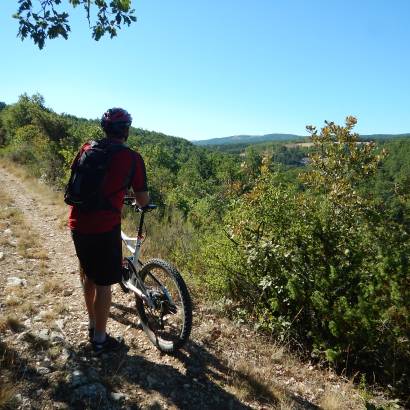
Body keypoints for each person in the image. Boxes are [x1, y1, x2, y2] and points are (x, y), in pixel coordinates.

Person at [68, 108, 149, 355]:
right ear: (126, 130)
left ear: (104, 129)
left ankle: (92, 325)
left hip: (77, 223)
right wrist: (135, 199)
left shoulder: (86, 148)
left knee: (88, 275)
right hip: (104, 228)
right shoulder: (132, 158)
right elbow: (143, 200)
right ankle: (101, 340)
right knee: (105, 284)